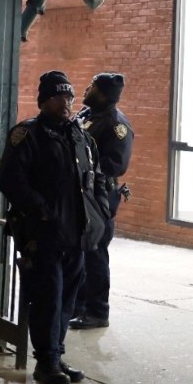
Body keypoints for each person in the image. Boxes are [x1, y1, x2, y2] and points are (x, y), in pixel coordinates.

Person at [0, 71, 110, 384]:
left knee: (67, 301)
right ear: (44, 100)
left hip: (76, 236)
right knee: (47, 298)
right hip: (42, 236)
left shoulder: (81, 137)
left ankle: (57, 355)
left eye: (70, 97)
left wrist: (101, 213)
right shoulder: (27, 135)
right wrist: (43, 212)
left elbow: (96, 179)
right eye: (59, 97)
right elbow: (11, 181)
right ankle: (45, 362)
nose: (67, 102)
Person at [70, 73, 134, 331]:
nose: (86, 89)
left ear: (105, 94)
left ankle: (98, 312)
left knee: (95, 256)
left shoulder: (116, 125)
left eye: (93, 87)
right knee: (79, 254)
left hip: (99, 197)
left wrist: (84, 167)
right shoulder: (85, 116)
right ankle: (79, 306)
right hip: (79, 194)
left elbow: (116, 165)